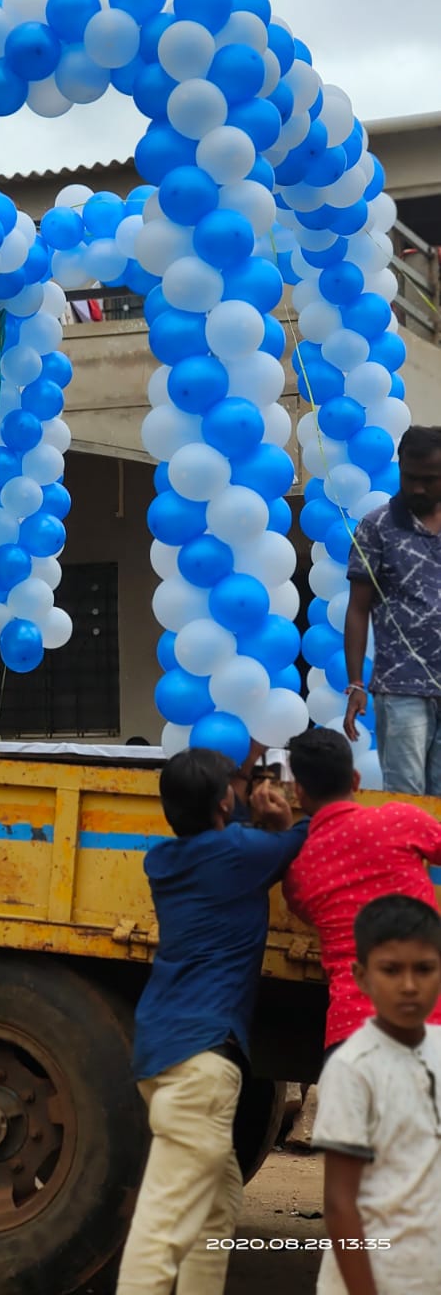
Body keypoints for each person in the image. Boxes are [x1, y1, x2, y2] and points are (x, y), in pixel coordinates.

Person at [115, 747, 308, 1295]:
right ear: (226, 799)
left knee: (215, 1206)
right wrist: (283, 814)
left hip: (162, 1052)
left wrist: (249, 795)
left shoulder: (165, 860)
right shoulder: (239, 853)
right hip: (202, 1060)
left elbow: (238, 833)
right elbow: (305, 834)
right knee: (164, 1227)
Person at [283, 726, 441, 1053]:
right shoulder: (401, 820)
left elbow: (305, 911)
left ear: (298, 791)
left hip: (350, 1039)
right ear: (355, 779)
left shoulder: (299, 873)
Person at [312, 894, 441, 1294]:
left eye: (424, 970)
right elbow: (339, 1203)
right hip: (372, 1280)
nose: (408, 986)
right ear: (362, 977)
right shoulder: (353, 1068)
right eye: (391, 970)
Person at [343, 424, 441, 795]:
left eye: (429, 479)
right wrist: (355, 683)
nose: (417, 487)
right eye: (410, 477)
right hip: (401, 688)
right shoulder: (376, 526)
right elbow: (357, 609)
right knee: (406, 798)